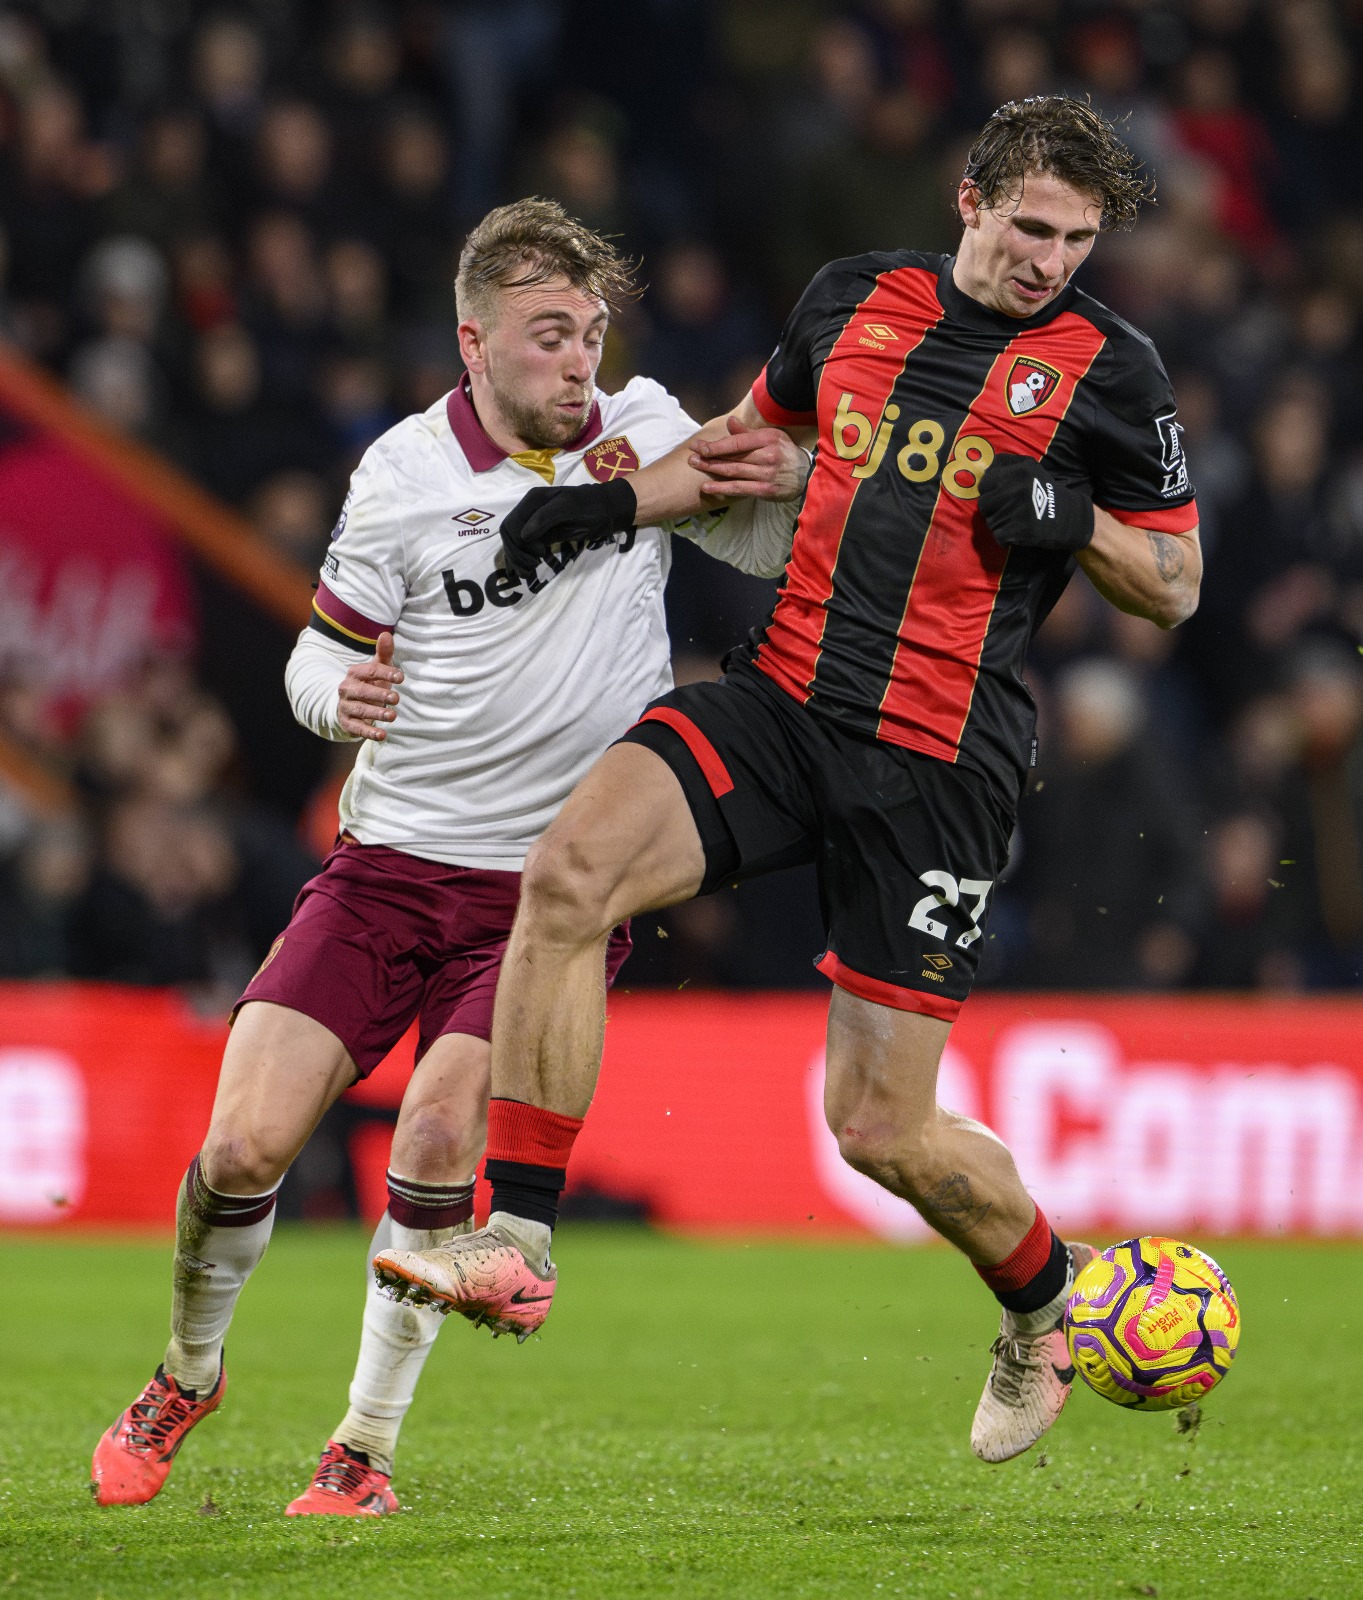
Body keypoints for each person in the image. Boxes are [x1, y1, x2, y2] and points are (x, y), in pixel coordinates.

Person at [375, 98, 1203, 1466]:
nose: (1051, 260)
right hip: (784, 697)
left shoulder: (1113, 371)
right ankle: (516, 1232)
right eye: (1030, 228)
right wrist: (606, 497)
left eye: (1076, 239)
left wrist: (1080, 520)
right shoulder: (849, 302)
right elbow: (741, 451)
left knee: (880, 1129)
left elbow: (1173, 584)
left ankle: (1044, 1306)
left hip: (938, 761)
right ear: (970, 202)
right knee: (567, 872)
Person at [89, 198, 808, 1515]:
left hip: (546, 893)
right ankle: (188, 1372)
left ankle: (361, 1452)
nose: (577, 360)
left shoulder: (642, 427)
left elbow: (762, 536)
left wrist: (792, 487)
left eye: (590, 332)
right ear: (472, 340)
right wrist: (334, 699)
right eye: (548, 336)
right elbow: (320, 647)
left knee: (433, 1139)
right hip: (387, 864)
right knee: (243, 1148)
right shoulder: (405, 476)